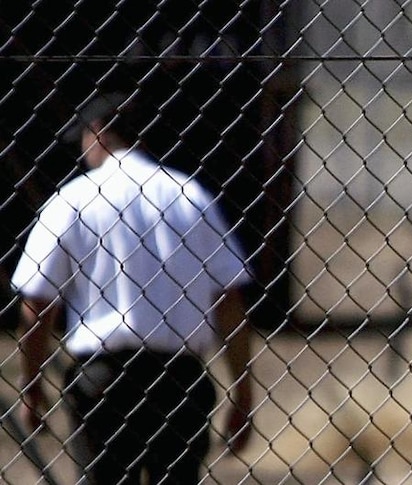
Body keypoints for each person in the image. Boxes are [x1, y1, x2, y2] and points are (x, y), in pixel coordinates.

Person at [12, 93, 254, 483]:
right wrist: (242, 391)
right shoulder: (190, 196)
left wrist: (31, 382)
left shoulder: (73, 200)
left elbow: (38, 303)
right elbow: (228, 299)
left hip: (103, 381)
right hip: (179, 380)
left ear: (98, 135)